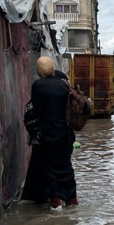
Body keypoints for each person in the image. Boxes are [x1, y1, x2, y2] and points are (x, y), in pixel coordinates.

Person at [24, 56, 77, 211]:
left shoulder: (38, 85)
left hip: (49, 133)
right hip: (66, 133)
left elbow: (38, 111)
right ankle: (72, 200)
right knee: (66, 166)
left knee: (50, 168)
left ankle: (56, 202)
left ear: (39, 69)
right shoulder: (63, 84)